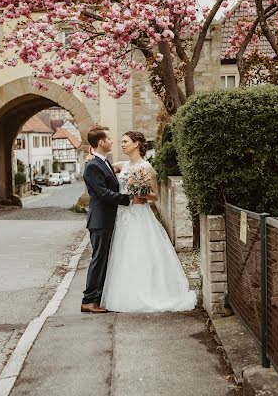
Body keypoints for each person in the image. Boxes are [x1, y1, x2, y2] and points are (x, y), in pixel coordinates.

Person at [101, 131, 197, 313]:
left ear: (136, 144)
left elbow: (155, 196)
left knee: (141, 252)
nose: (122, 144)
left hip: (139, 214)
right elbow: (102, 167)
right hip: (123, 216)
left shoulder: (147, 168)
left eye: (125, 141)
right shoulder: (121, 166)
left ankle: (147, 292)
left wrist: (141, 194)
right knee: (123, 254)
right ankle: (125, 294)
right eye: (121, 142)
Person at [81, 125, 145, 313]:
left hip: (108, 218)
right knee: (98, 259)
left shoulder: (102, 161)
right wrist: (128, 199)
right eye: (108, 138)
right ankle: (88, 300)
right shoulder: (93, 165)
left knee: (104, 258)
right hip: (100, 220)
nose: (112, 141)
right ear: (101, 142)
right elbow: (102, 193)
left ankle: (98, 297)